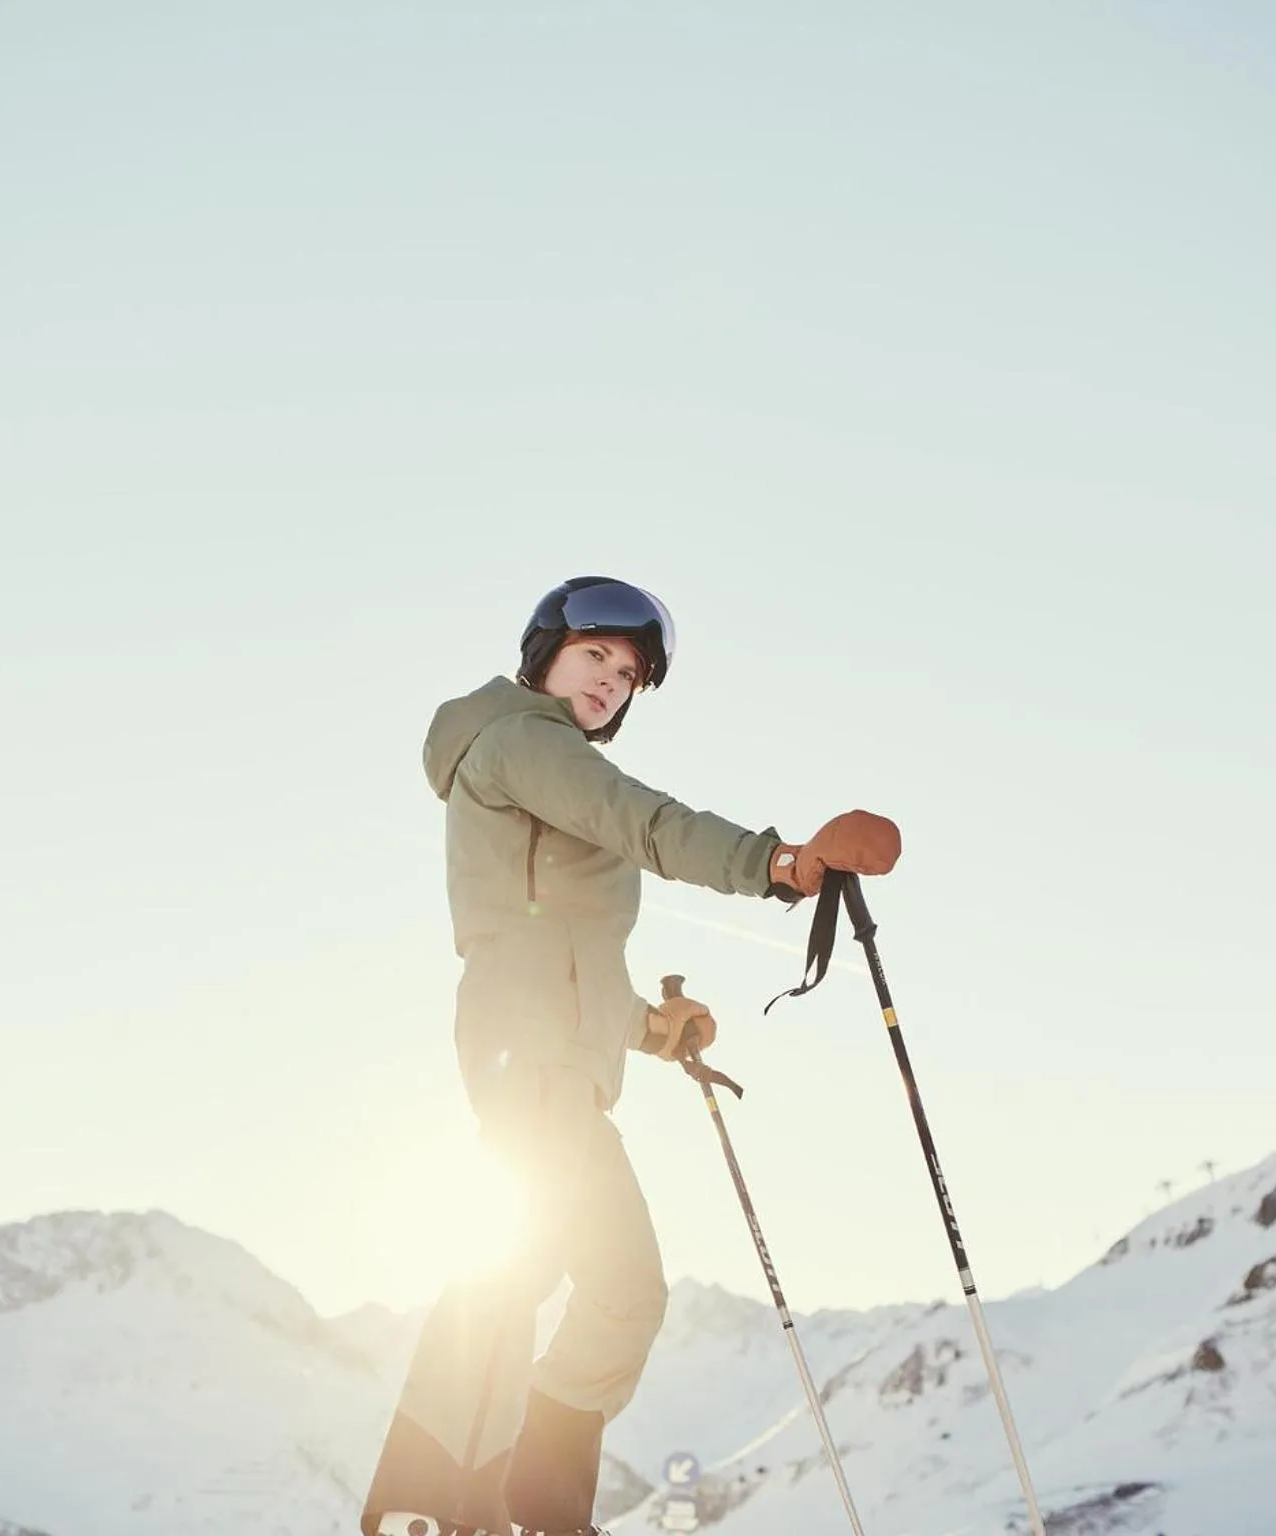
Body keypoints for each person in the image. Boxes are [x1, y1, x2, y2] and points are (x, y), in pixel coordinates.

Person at [363, 576, 902, 1536]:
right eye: (597, 657)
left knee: (541, 1278)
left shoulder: (541, 764)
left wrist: (654, 1029)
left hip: (545, 1058)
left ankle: (486, 1507)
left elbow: (558, 952)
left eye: (629, 674)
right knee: (596, 1287)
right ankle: (463, 1507)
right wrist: (782, 864)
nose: (613, 681)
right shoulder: (522, 739)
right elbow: (643, 822)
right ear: (545, 652)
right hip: (526, 1065)